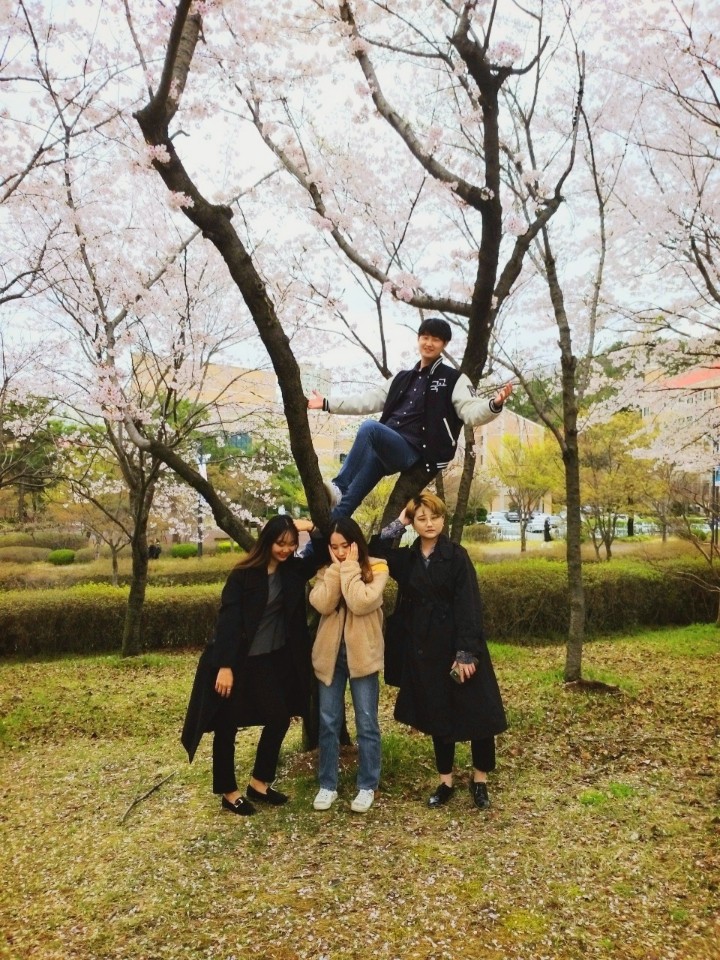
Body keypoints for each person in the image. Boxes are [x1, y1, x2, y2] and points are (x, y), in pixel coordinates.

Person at [369, 492, 507, 810]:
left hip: (460, 645)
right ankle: (445, 781)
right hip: (425, 648)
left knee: (478, 714)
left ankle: (480, 780)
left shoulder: (457, 556)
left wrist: (466, 653)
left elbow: (469, 605)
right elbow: (374, 552)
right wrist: (400, 521)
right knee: (437, 713)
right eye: (421, 518)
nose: (429, 523)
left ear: (443, 519)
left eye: (434, 517)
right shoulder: (408, 559)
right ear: (414, 523)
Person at [181, 516, 325, 816]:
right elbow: (228, 623)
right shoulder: (244, 574)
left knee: (279, 717)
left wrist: (309, 529)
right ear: (266, 541)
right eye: (279, 543)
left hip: (268, 662)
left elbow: (323, 553)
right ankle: (228, 792)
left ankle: (259, 783)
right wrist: (225, 666)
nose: (285, 550)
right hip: (235, 662)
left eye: (290, 545)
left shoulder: (292, 572)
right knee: (226, 725)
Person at [307, 317, 512, 519]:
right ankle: (312, 549)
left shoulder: (453, 379)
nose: (429, 343)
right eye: (425, 337)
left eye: (436, 340)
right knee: (345, 504)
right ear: (418, 339)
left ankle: (338, 485)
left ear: (445, 344)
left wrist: (494, 404)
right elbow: (367, 400)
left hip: (411, 450)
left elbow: (470, 411)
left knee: (369, 428)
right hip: (383, 448)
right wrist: (327, 403)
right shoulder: (402, 378)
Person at [308, 517, 389, 814]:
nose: (341, 552)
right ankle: (327, 784)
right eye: (335, 547)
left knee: (367, 722)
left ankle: (367, 784)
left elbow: (361, 602)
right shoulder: (326, 570)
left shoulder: (378, 567)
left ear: (357, 543)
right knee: (328, 722)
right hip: (330, 657)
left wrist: (350, 569)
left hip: (363, 657)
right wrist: (335, 571)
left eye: (346, 546)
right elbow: (322, 604)